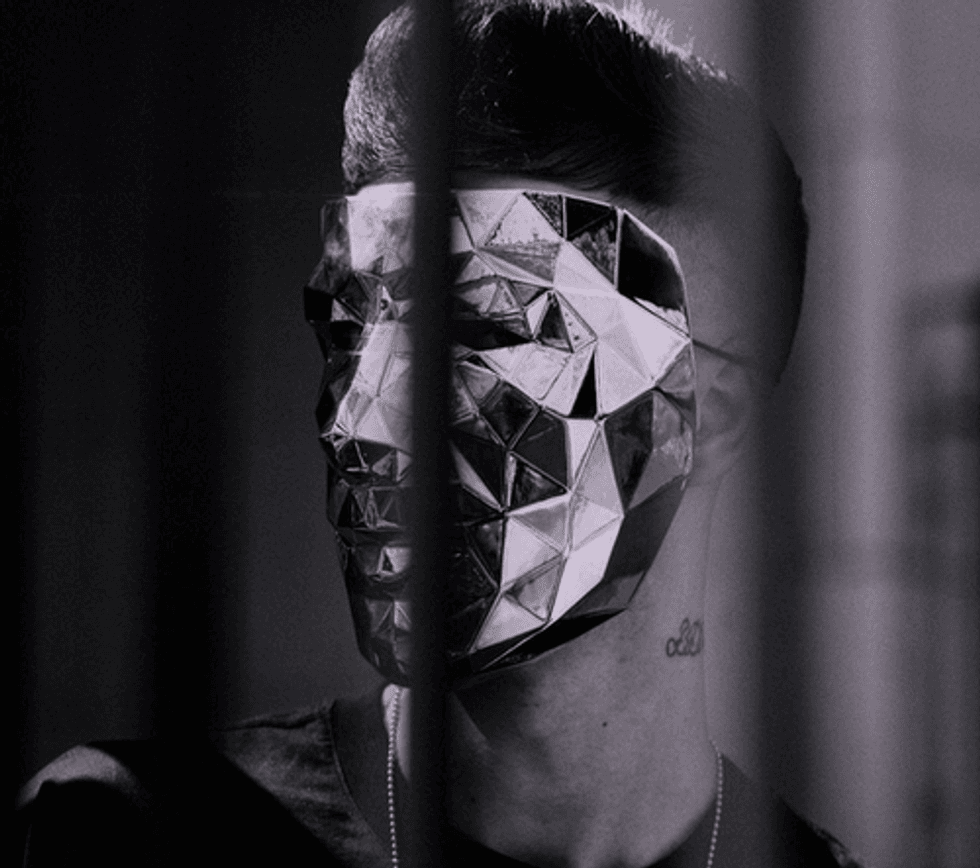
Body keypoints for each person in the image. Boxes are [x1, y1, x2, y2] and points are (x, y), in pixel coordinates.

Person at [16, 2, 862, 866]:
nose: (358, 421)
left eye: (480, 331)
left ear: (708, 415)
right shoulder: (122, 835)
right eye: (349, 325)